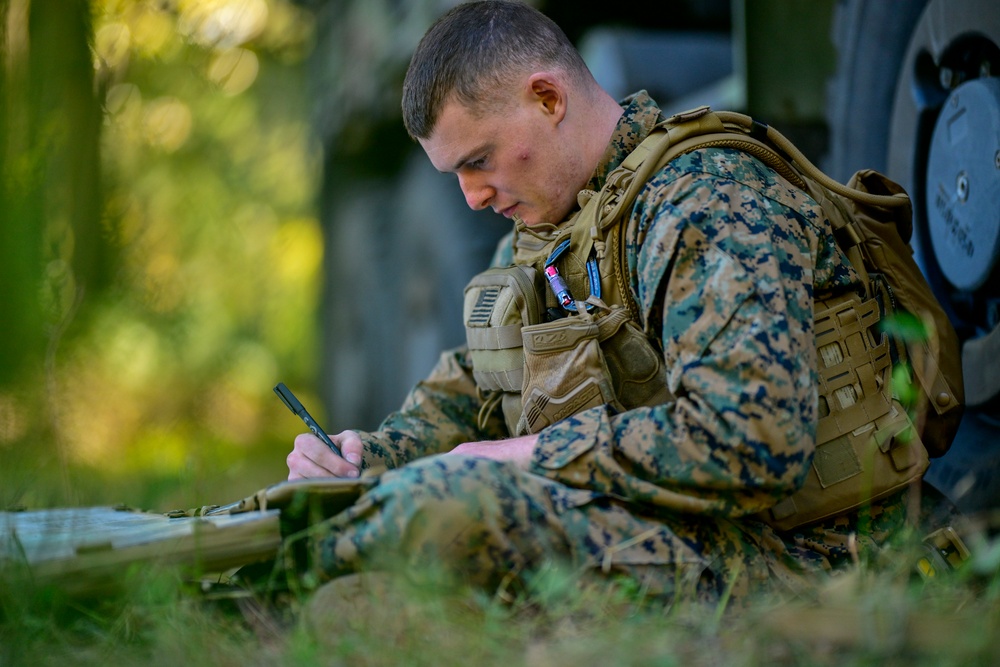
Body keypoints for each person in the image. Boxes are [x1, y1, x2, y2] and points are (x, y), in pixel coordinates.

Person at [285, 0, 925, 601]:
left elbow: (749, 441)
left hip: (818, 561)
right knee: (372, 535)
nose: (472, 197)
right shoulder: (546, 238)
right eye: (456, 173)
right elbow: (472, 395)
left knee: (454, 513)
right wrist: (365, 458)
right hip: (697, 535)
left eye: (479, 160)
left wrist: (524, 456)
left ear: (547, 97)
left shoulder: (707, 200)